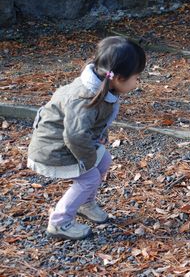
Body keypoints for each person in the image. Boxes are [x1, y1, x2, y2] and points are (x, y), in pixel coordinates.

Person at [27, 36, 146, 240]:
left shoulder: (101, 85)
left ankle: (85, 203)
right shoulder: (83, 98)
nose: (138, 82)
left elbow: (94, 122)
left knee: (105, 160)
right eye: (136, 77)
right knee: (90, 178)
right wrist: (88, 160)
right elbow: (74, 135)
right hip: (53, 150)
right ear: (118, 78)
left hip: (69, 143)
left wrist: (99, 137)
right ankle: (59, 222)